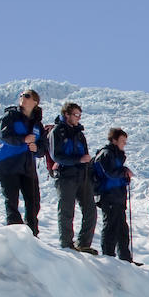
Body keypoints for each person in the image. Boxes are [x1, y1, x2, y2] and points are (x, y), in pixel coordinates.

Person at [0, 89, 51, 234]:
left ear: (35, 102)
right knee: (11, 201)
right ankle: (14, 233)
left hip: (28, 166)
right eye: (21, 95)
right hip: (8, 163)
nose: (22, 98)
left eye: (26, 96)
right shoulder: (11, 116)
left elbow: (43, 147)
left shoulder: (37, 125)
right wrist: (23, 140)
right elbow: (2, 135)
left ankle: (32, 234)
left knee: (33, 201)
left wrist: (36, 148)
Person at [48, 102, 97, 253]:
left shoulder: (80, 134)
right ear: (66, 115)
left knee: (90, 210)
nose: (78, 118)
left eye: (79, 115)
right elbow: (56, 155)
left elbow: (86, 156)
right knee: (67, 210)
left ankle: (83, 244)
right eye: (76, 115)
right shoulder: (57, 132)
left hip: (82, 176)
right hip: (65, 176)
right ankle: (67, 244)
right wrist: (78, 160)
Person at [91, 128, 137, 263]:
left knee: (122, 228)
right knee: (110, 225)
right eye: (122, 141)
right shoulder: (106, 154)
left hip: (117, 196)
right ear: (114, 140)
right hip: (108, 195)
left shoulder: (116, 155)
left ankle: (125, 258)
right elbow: (110, 173)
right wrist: (124, 172)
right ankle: (108, 256)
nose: (124, 144)